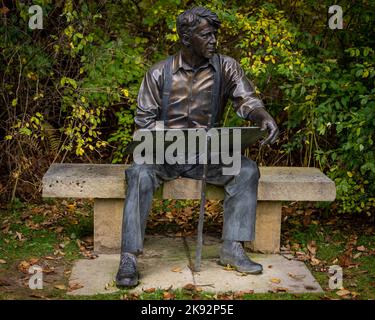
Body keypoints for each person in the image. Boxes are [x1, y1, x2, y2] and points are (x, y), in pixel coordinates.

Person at [116, 6, 279, 287]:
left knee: (247, 170)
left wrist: (262, 116)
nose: (214, 40)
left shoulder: (226, 67)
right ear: (187, 38)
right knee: (139, 172)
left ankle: (232, 248)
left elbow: (247, 100)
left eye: (214, 34)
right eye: (206, 34)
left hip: (208, 154)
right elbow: (144, 121)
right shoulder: (158, 74)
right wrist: (165, 135)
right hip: (164, 153)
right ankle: (129, 256)